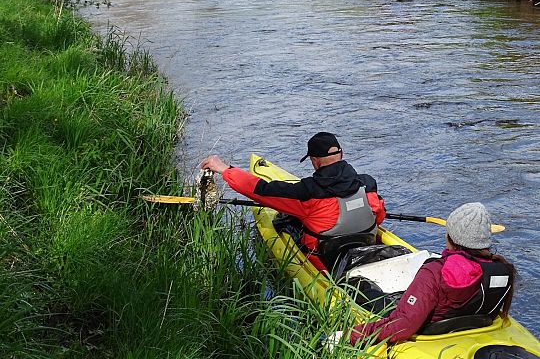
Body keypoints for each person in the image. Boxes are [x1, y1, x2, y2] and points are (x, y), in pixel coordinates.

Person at [200, 132, 386, 272]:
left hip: (323, 262)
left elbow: (260, 190)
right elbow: (379, 217)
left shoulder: (306, 192)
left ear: (315, 161)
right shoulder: (368, 184)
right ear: (341, 154)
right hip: (366, 247)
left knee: (292, 224)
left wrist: (224, 169)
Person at [349, 202, 516, 345]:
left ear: (450, 237)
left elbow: (403, 326)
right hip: (475, 324)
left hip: (429, 333)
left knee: (361, 286)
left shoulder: (434, 272)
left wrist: (354, 334)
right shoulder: (503, 269)